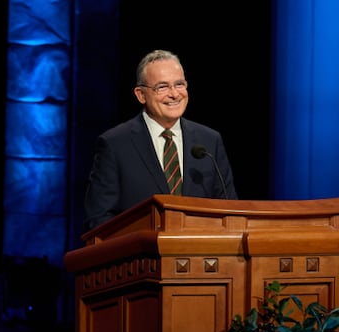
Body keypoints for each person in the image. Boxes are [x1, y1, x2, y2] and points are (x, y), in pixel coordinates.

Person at [83, 49, 238, 231]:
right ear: (141, 95)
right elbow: (99, 219)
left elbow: (229, 211)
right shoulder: (115, 144)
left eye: (179, 84)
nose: (174, 94)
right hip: (141, 248)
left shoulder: (209, 141)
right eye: (162, 87)